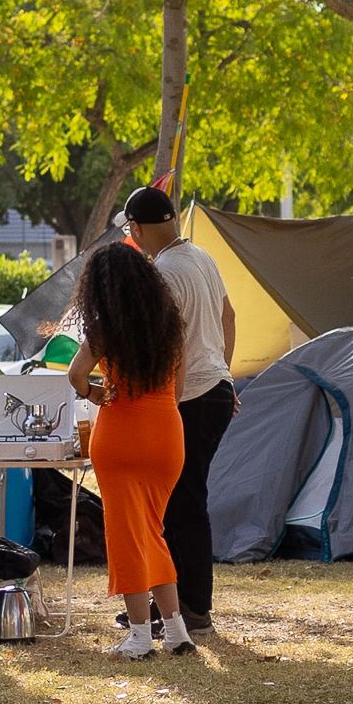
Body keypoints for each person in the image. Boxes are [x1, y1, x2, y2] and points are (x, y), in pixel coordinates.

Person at [66, 242, 194, 659]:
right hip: (167, 435)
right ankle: (175, 630)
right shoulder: (170, 324)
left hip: (122, 434)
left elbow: (76, 374)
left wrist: (96, 393)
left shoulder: (107, 327)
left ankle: (139, 634)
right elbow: (180, 387)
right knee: (152, 531)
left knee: (126, 535)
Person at [123, 187, 237, 632]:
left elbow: (161, 345)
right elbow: (228, 316)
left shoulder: (165, 272)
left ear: (136, 228)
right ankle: (174, 602)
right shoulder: (201, 257)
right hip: (217, 387)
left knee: (182, 504)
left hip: (189, 397)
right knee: (182, 501)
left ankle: (190, 607)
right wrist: (223, 370)